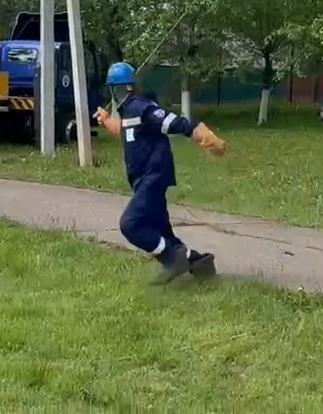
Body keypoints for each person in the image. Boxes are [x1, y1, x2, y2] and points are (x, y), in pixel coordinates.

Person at [94, 62, 226, 284]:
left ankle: (172, 259)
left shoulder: (140, 107)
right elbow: (125, 132)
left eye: (116, 89)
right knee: (161, 231)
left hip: (153, 176)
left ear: (120, 89)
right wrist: (107, 120)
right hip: (143, 179)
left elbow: (170, 121)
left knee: (131, 225)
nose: (116, 93)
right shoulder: (129, 112)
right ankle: (201, 266)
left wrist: (200, 133)